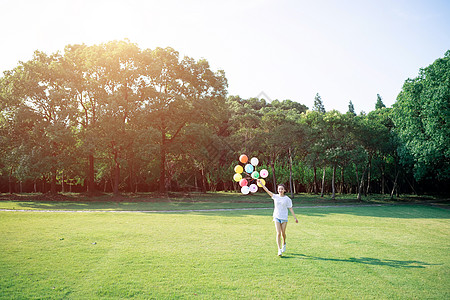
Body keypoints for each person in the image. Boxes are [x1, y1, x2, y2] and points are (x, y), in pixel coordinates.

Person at [258, 180, 298, 256]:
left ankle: (284, 243)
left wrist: (295, 218)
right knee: (278, 233)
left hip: (284, 218)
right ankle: (279, 250)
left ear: (284, 190)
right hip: (276, 217)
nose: (280, 190)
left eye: (282, 189)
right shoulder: (275, 196)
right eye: (279, 189)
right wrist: (261, 184)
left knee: (283, 234)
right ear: (277, 190)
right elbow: (267, 190)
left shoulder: (287, 199)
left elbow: (290, 208)